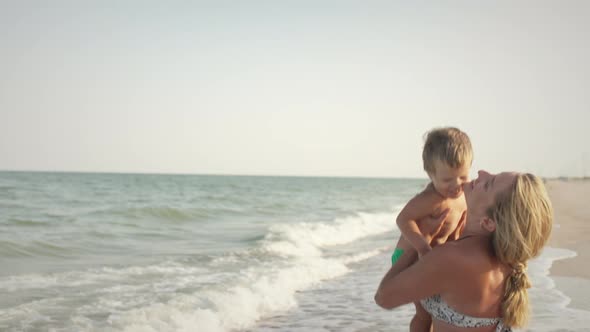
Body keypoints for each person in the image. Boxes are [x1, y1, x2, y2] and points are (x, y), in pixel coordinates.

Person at [375, 170, 553, 332]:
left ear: (488, 222)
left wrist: (419, 239)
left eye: (489, 183)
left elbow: (384, 298)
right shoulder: (504, 261)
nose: (481, 173)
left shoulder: (454, 258)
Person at [391, 127, 473, 331]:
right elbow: (403, 219)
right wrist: (422, 247)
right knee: (424, 313)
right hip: (410, 257)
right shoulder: (430, 199)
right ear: (430, 174)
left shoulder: (462, 196)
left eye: (462, 176)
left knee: (441, 309)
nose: (456, 185)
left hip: (432, 259)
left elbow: (459, 226)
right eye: (447, 180)